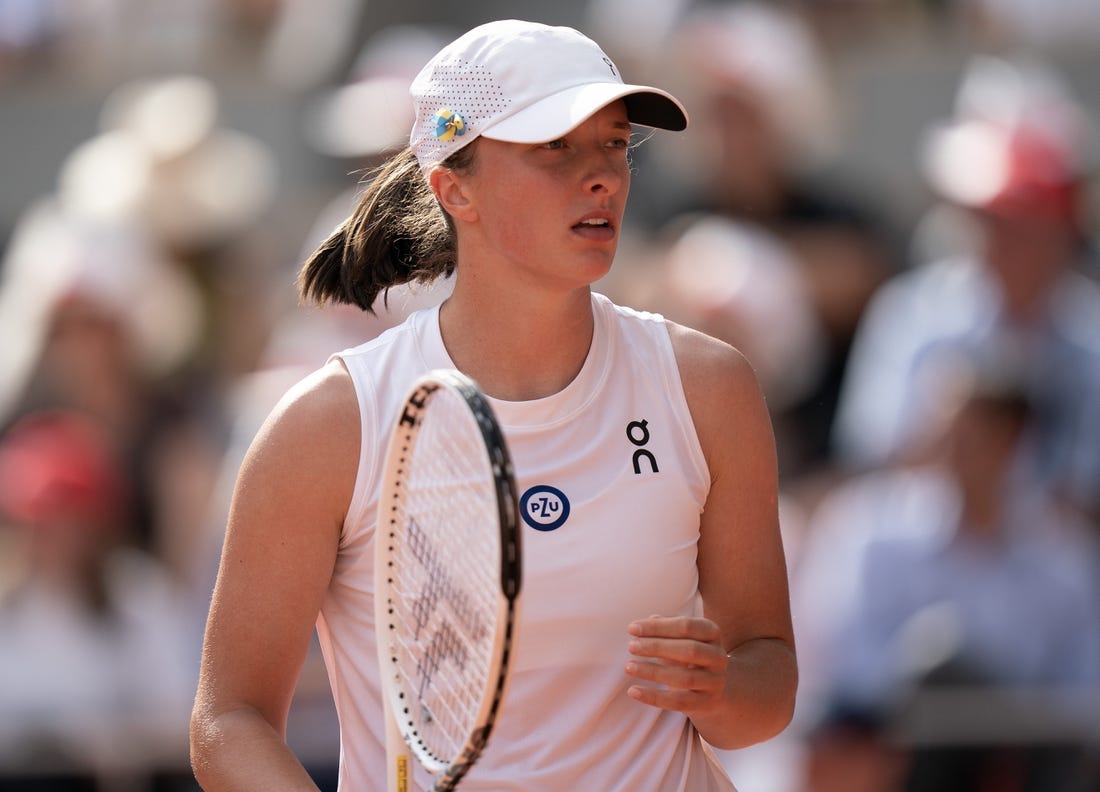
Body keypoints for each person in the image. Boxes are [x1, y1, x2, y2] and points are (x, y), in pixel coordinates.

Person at [189, 19, 797, 791]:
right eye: (555, 148)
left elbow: (767, 679)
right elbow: (228, 721)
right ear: (454, 188)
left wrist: (721, 690)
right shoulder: (329, 426)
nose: (603, 176)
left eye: (614, 143)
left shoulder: (710, 388)